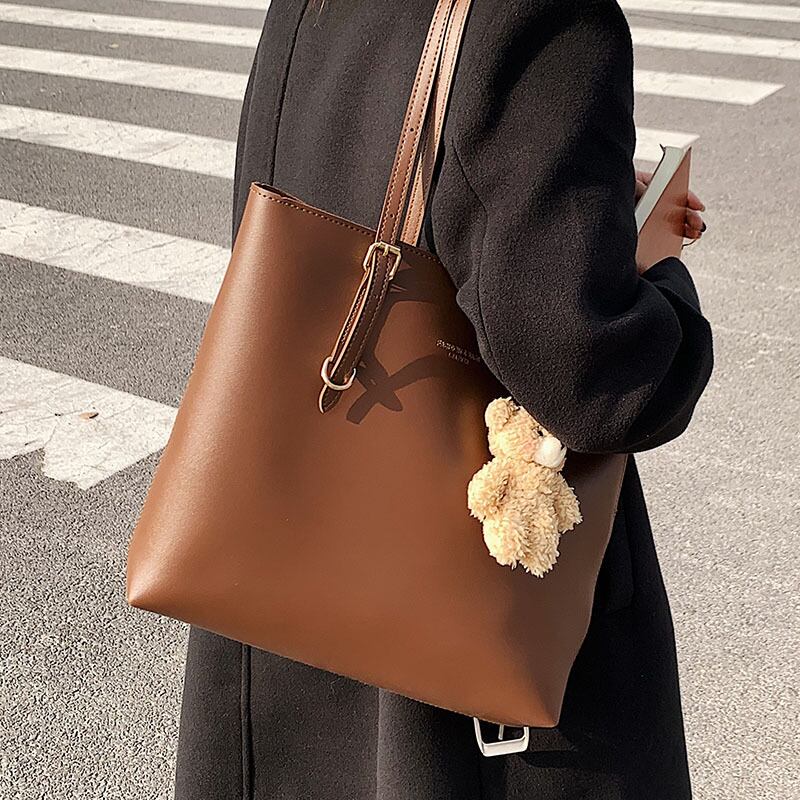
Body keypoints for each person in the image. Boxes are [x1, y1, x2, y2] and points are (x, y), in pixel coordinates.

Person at [173, 1, 713, 798]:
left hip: (290, 551)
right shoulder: (545, 17)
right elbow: (591, 376)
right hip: (457, 637)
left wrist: (578, 198)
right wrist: (664, 280)